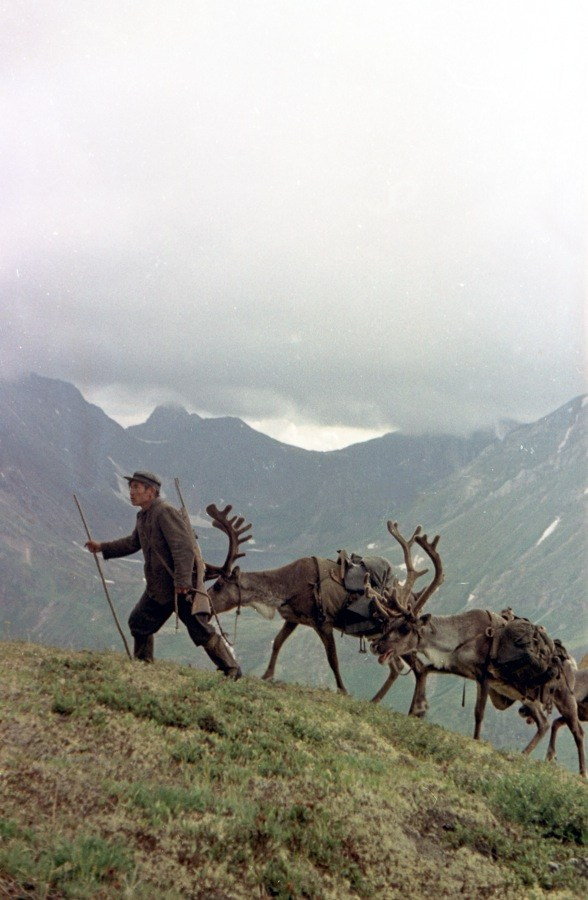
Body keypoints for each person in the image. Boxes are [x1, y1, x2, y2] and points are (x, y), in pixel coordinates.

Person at [85, 470, 241, 678]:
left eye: (136, 487)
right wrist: (102, 547)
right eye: (131, 487)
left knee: (201, 630)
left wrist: (183, 581)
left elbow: (183, 548)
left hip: (181, 587)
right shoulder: (144, 515)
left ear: (151, 492)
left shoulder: (164, 512)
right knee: (139, 622)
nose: (131, 492)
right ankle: (143, 666)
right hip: (160, 588)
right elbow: (133, 542)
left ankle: (232, 670)